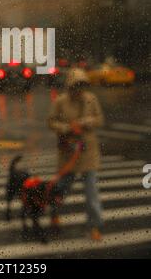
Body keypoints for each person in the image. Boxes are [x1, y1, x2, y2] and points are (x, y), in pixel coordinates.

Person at [49, 67, 104, 241]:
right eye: (76, 85)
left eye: (82, 85)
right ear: (70, 86)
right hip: (68, 153)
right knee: (62, 189)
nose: (79, 89)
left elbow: (99, 119)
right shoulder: (60, 101)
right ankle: (54, 214)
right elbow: (51, 121)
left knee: (91, 193)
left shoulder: (91, 99)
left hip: (88, 152)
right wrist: (66, 127)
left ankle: (94, 225)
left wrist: (86, 122)